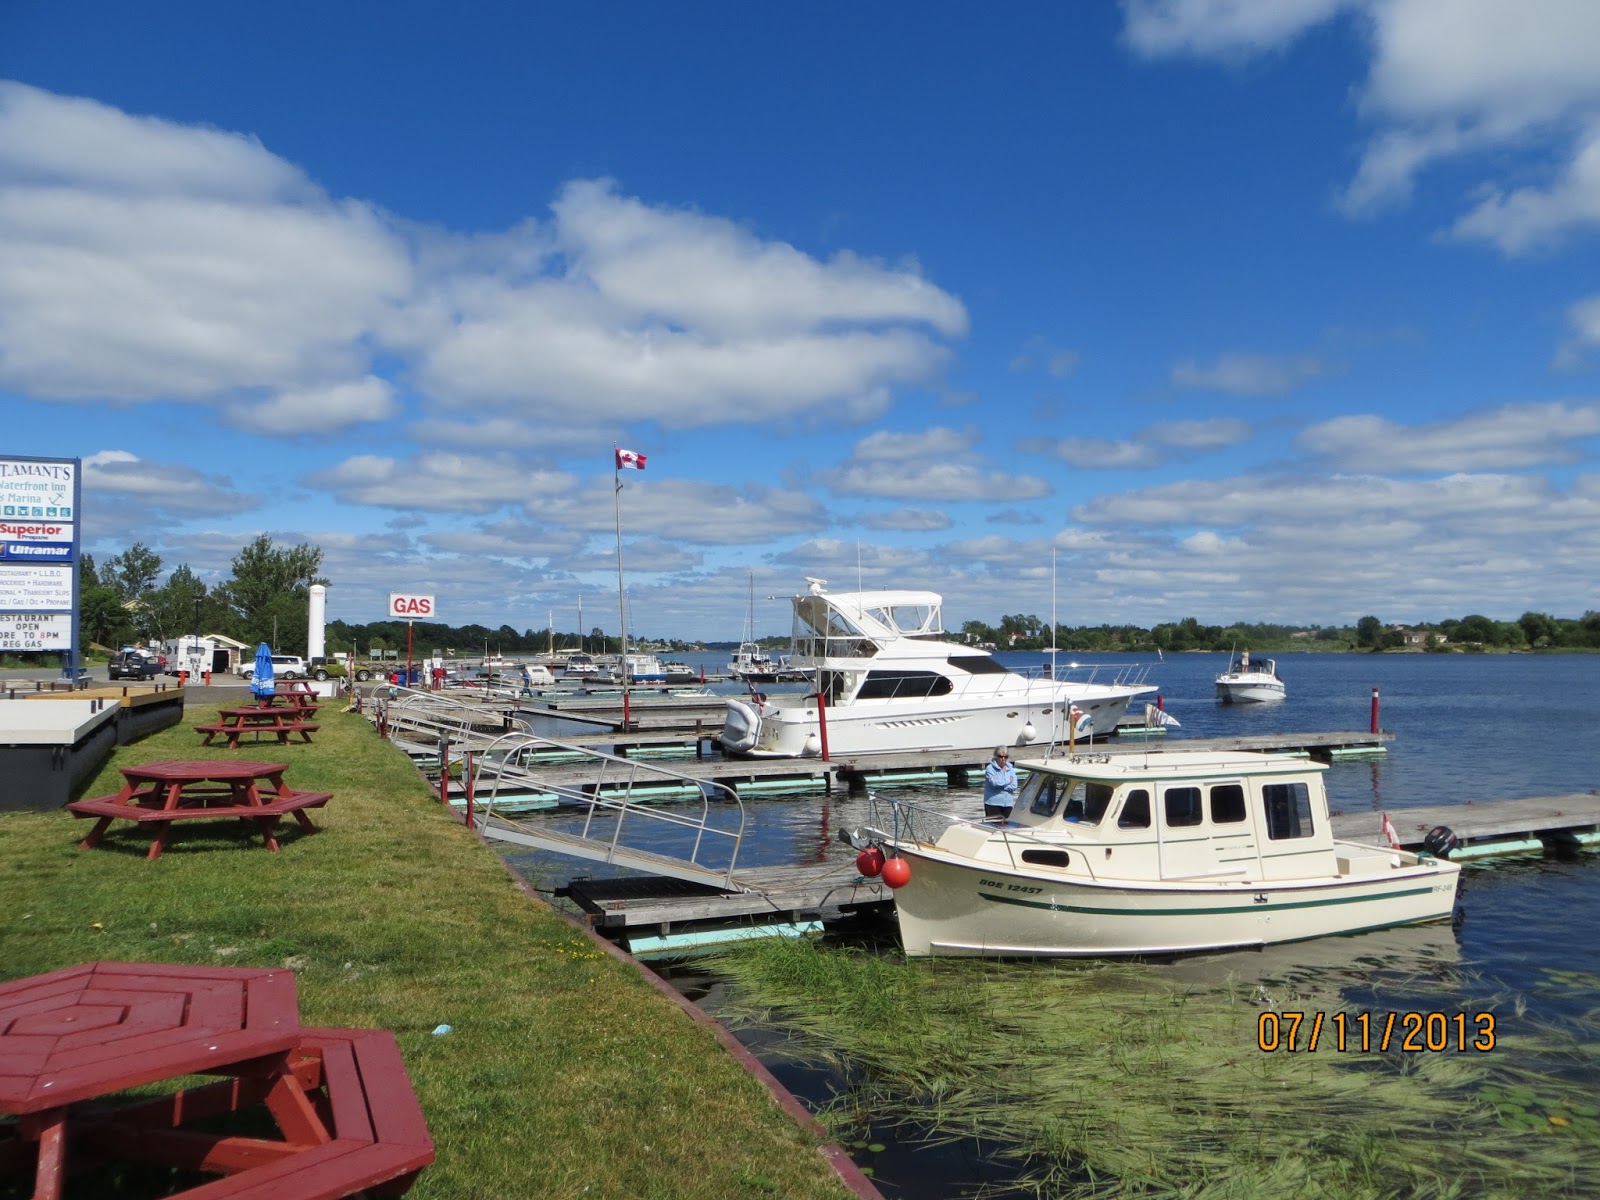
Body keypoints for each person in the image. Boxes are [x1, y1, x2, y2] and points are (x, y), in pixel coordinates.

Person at [983, 747, 1018, 820]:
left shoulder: (1011, 769)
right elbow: (994, 784)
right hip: (992, 803)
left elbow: (1014, 785)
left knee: (1007, 826)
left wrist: (1001, 785)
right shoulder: (990, 768)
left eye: (1006, 757)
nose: (1003, 759)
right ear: (996, 756)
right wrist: (1008, 781)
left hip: (1008, 804)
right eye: (1000, 756)